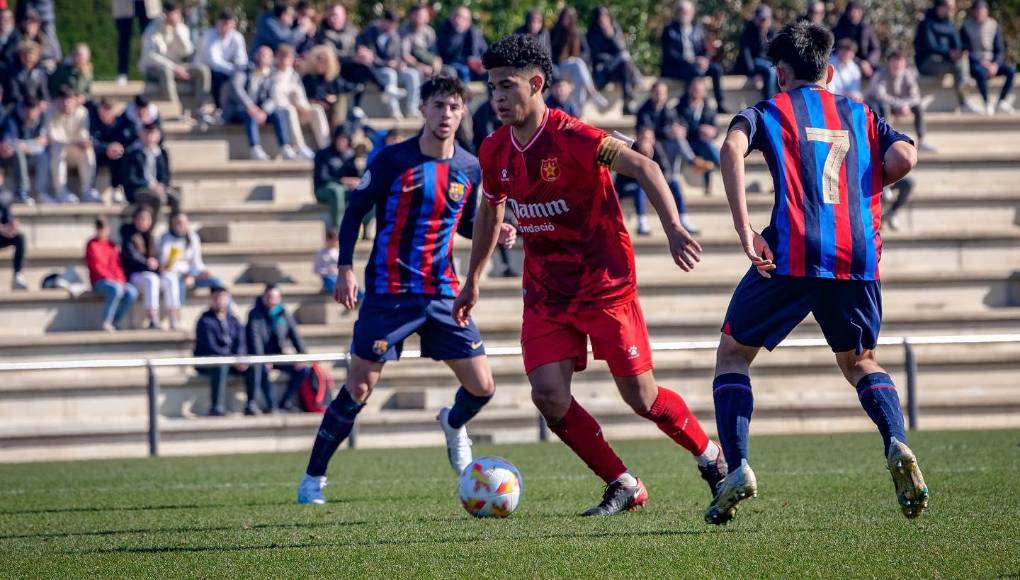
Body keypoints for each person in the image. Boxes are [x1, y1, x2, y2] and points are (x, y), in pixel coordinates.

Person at [458, 34, 724, 516]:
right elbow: (490, 213)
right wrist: (473, 278)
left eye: (507, 86)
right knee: (549, 396)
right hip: (545, 293)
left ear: (536, 84)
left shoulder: (576, 137)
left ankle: (710, 456)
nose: (496, 97)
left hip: (604, 285)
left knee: (641, 398)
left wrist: (674, 228)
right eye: (492, 86)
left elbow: (643, 166)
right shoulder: (495, 150)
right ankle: (623, 483)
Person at [707, 21, 927, 525]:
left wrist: (744, 230)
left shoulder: (769, 110)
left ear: (780, 74)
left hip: (791, 252)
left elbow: (730, 147)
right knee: (860, 362)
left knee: (733, 354)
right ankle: (895, 440)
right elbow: (905, 157)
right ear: (829, 71)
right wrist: (864, 186)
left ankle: (737, 466)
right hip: (856, 256)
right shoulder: (862, 113)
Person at [298, 75, 509, 505]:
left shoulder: (470, 168)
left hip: (442, 293)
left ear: (462, 112)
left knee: (483, 386)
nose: (445, 114)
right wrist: (344, 268)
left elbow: (467, 223)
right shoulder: (393, 160)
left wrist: (497, 229)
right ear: (423, 110)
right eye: (437, 106)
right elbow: (355, 211)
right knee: (358, 388)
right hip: (388, 293)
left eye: (453, 107)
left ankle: (452, 422)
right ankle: (313, 478)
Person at [139, 2, 213, 124]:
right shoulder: (152, 29)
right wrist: (173, 68)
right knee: (165, 71)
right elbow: (151, 56)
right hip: (156, 68)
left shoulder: (182, 28)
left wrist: (177, 29)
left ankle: (199, 109)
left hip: (178, 66)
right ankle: (173, 109)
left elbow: (187, 51)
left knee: (202, 71)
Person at [244, 283, 308, 415]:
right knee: (261, 369)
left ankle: (286, 402)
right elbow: (254, 339)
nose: (271, 300)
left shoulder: (284, 314)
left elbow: (295, 336)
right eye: (268, 296)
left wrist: (302, 356)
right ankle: (271, 405)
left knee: (303, 370)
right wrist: (263, 359)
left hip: (278, 355)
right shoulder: (255, 314)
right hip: (261, 357)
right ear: (263, 297)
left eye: (274, 297)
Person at [222, 45, 290, 161]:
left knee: (279, 113)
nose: (263, 58)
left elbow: (273, 97)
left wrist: (264, 111)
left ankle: (285, 147)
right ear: (255, 55)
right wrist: (251, 107)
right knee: (250, 115)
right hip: (237, 110)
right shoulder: (243, 69)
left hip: (258, 111)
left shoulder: (271, 74)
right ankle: (255, 149)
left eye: (267, 56)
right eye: (261, 54)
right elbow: (236, 89)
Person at [660, 0, 727, 112]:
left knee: (716, 69)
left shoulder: (697, 29)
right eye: (681, 11)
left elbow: (703, 49)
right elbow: (669, 54)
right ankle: (693, 106)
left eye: (687, 11)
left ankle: (720, 104)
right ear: (677, 12)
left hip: (696, 65)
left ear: (692, 13)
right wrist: (692, 61)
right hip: (677, 67)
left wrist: (705, 60)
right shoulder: (669, 30)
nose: (684, 14)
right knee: (696, 72)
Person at [120, 204, 180, 329]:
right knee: (151, 279)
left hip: (152, 273)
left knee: (171, 278)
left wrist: (160, 265)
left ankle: (173, 316)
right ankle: (153, 317)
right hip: (135, 275)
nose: (143, 222)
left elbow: (156, 257)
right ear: (135, 219)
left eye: (147, 219)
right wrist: (147, 262)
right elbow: (131, 256)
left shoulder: (151, 236)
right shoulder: (128, 234)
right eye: (141, 218)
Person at [867, 51, 936, 152]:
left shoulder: (908, 75)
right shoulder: (880, 75)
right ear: (889, 63)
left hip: (901, 105)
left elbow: (915, 96)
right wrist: (901, 105)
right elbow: (880, 96)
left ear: (904, 64)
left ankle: (921, 141)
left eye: (900, 62)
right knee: (883, 106)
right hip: (882, 105)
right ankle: (887, 140)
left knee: (918, 107)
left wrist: (904, 105)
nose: (897, 65)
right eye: (894, 62)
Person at [194, 286, 247, 416]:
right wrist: (233, 360)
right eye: (217, 298)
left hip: (231, 361)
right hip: (209, 361)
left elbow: (241, 342)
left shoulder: (233, 319)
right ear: (211, 299)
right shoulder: (205, 320)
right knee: (221, 366)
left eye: (223, 298)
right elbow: (212, 348)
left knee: (254, 366)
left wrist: (240, 358)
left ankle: (251, 404)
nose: (220, 301)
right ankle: (216, 406)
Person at [358, 9, 421, 119]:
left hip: (394, 68)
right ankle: (394, 111)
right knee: (389, 73)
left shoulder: (395, 35)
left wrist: (400, 64)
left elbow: (399, 54)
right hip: (376, 70)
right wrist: (387, 64)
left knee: (412, 74)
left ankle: (412, 109)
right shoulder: (370, 32)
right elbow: (371, 56)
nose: (392, 26)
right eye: (390, 23)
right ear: (383, 21)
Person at [915, 0, 973, 113]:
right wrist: (949, 53)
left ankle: (965, 84)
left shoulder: (950, 25)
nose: (952, 11)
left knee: (962, 59)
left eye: (953, 8)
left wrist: (960, 52)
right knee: (957, 67)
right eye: (950, 7)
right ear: (940, 7)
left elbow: (957, 44)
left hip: (945, 61)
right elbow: (930, 46)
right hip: (927, 63)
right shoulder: (926, 23)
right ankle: (964, 101)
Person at [44, 88, 100, 204]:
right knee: (59, 149)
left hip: (74, 152)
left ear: (75, 101)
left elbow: (83, 136)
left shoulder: (82, 112)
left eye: (69, 100)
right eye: (63, 100)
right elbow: (54, 138)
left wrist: (82, 142)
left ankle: (87, 190)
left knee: (87, 150)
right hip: (54, 154)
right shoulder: (49, 111)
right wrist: (74, 142)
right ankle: (61, 193)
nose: (65, 104)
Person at [269, 45, 329, 151]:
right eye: (282, 57)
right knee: (290, 110)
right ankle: (300, 147)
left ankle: (326, 146)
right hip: (281, 112)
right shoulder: (270, 74)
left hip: (297, 111)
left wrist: (302, 105)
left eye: (288, 57)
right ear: (277, 58)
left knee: (316, 110)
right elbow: (274, 98)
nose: (285, 60)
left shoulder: (294, 75)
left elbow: (300, 96)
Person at [961, 0, 1015, 115]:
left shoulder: (993, 25)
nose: (980, 13)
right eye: (977, 11)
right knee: (980, 73)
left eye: (982, 11)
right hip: (975, 62)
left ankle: (1002, 101)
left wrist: (995, 64)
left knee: (1010, 70)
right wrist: (982, 63)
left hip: (992, 62)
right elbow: (966, 50)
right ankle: (986, 103)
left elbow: (999, 49)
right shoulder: (966, 26)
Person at [549, 6, 606, 112]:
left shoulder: (577, 33)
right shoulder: (555, 32)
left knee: (579, 79)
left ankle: (579, 109)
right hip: (559, 68)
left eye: (569, 17)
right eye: (565, 17)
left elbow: (586, 53)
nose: (566, 20)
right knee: (578, 64)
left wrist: (573, 57)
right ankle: (593, 92)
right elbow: (552, 54)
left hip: (574, 67)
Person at [85, 217, 138, 331]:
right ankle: (106, 321)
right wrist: (114, 280)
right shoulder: (92, 245)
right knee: (116, 289)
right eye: (99, 228)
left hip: (115, 280)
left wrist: (121, 280)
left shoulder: (112, 245)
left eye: (104, 228)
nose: (101, 231)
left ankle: (116, 320)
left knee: (132, 292)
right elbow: (97, 267)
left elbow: (117, 266)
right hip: (100, 281)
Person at [586, 7, 641, 115]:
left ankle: (627, 103)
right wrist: (613, 59)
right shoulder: (592, 33)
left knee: (625, 63)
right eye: (601, 17)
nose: (603, 19)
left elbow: (621, 48)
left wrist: (611, 36)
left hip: (616, 68)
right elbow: (596, 56)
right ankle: (636, 79)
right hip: (602, 70)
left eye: (605, 17)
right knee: (624, 57)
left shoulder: (614, 29)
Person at [158, 211, 223, 300]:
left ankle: (226, 310)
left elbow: (197, 262)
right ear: (172, 224)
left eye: (184, 223)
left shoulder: (193, 237)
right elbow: (166, 265)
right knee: (179, 284)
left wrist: (202, 271)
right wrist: (186, 275)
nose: (181, 225)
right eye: (178, 223)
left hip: (192, 274)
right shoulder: (165, 238)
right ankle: (179, 312)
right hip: (174, 275)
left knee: (217, 282)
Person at [675, 76, 720, 197]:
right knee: (707, 147)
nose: (697, 92)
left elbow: (716, 130)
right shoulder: (680, 107)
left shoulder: (709, 109)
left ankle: (710, 181)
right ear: (689, 89)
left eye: (700, 90)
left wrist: (712, 132)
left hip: (703, 143)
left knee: (708, 147)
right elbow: (682, 129)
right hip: (688, 144)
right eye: (694, 89)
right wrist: (699, 130)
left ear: (704, 92)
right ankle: (725, 165)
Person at [121, 122, 179, 215]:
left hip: (158, 188)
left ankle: (174, 227)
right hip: (139, 189)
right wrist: (149, 186)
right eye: (146, 133)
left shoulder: (162, 153)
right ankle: (150, 227)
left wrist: (162, 185)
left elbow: (166, 175)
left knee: (175, 198)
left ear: (158, 135)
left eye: (152, 133)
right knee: (155, 199)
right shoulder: (133, 153)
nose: (149, 137)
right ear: (141, 134)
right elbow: (130, 178)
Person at [313, 125, 360, 232]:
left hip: (345, 190)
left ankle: (363, 227)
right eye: (340, 139)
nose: (342, 142)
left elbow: (356, 176)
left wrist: (357, 182)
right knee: (336, 190)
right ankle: (337, 230)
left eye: (345, 139)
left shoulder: (350, 155)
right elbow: (322, 178)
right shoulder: (323, 154)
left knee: (368, 191)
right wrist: (342, 181)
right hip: (324, 190)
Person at [199, 10, 248, 111]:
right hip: (207, 68)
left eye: (229, 24)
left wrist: (239, 68)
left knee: (245, 75)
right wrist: (233, 69)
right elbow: (214, 62)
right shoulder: (209, 36)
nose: (226, 27)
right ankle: (219, 108)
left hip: (228, 68)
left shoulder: (237, 37)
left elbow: (242, 58)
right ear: (218, 23)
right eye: (224, 24)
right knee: (217, 76)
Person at [302, 44, 359, 126]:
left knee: (340, 100)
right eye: (319, 59)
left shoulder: (332, 77)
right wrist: (324, 99)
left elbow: (343, 88)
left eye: (325, 60)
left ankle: (338, 130)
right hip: (314, 106)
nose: (321, 63)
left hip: (331, 107)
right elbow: (308, 95)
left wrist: (333, 97)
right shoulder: (308, 78)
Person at [7, 97, 48, 205]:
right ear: (24, 109)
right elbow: (12, 142)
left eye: (34, 110)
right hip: (12, 157)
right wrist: (31, 144)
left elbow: (43, 140)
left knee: (44, 155)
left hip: (32, 152)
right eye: (28, 110)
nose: (31, 113)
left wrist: (27, 145)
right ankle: (21, 192)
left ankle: (41, 192)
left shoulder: (42, 117)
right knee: (18, 153)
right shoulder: (13, 117)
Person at [733, 4, 777, 101]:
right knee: (771, 70)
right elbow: (746, 55)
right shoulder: (749, 32)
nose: (763, 22)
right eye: (760, 19)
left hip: (767, 63)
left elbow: (775, 54)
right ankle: (769, 103)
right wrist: (753, 73)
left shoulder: (773, 32)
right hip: (754, 62)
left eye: (765, 19)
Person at [113, 0, 161, 86]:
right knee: (124, 39)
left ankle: (151, 73)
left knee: (151, 41)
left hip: (148, 5)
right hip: (124, 5)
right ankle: (122, 72)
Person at [436, 6, 487, 82]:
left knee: (490, 71)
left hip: (474, 68)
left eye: (462, 18)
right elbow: (447, 52)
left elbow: (485, 51)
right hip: (452, 65)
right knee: (463, 71)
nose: (458, 20)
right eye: (456, 16)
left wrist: (483, 64)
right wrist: (457, 32)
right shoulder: (445, 31)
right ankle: (464, 94)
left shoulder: (474, 33)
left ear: (468, 22)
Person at [831, 1, 881, 78]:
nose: (854, 14)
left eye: (857, 11)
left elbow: (875, 49)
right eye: (852, 10)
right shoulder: (839, 29)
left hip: (866, 64)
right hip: (846, 62)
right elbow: (838, 50)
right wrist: (859, 63)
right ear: (847, 12)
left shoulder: (866, 28)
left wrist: (869, 62)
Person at [90, 98, 128, 197]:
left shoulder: (119, 122)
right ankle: (91, 189)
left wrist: (116, 148)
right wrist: (106, 148)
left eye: (109, 110)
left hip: (113, 154)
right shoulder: (92, 120)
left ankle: (117, 188)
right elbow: (91, 140)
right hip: (97, 153)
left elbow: (124, 140)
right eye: (104, 110)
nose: (106, 114)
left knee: (120, 154)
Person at [400, 5, 442, 79]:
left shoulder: (429, 31)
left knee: (448, 72)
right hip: (411, 65)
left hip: (428, 63)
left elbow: (435, 53)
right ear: (411, 15)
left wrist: (436, 64)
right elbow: (405, 56)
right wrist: (422, 67)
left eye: (422, 16)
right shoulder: (403, 31)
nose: (419, 18)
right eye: (416, 15)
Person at [4, 40, 50, 108]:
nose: (28, 58)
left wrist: (44, 102)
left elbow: (44, 93)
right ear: (20, 56)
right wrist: (29, 103)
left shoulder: (40, 73)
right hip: (17, 106)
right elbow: (14, 94)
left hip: (36, 106)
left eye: (31, 55)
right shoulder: (13, 72)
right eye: (25, 54)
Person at [0, 195, 27, 290]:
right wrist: (2, 229)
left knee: (19, 238)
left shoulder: (4, 198)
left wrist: (12, 226)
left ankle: (17, 275)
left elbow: (8, 219)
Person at [314, 229, 339, 294]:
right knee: (333, 282)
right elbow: (316, 269)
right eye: (332, 240)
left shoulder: (339, 252)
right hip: (327, 278)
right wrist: (327, 271)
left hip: (339, 277)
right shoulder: (321, 253)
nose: (335, 242)